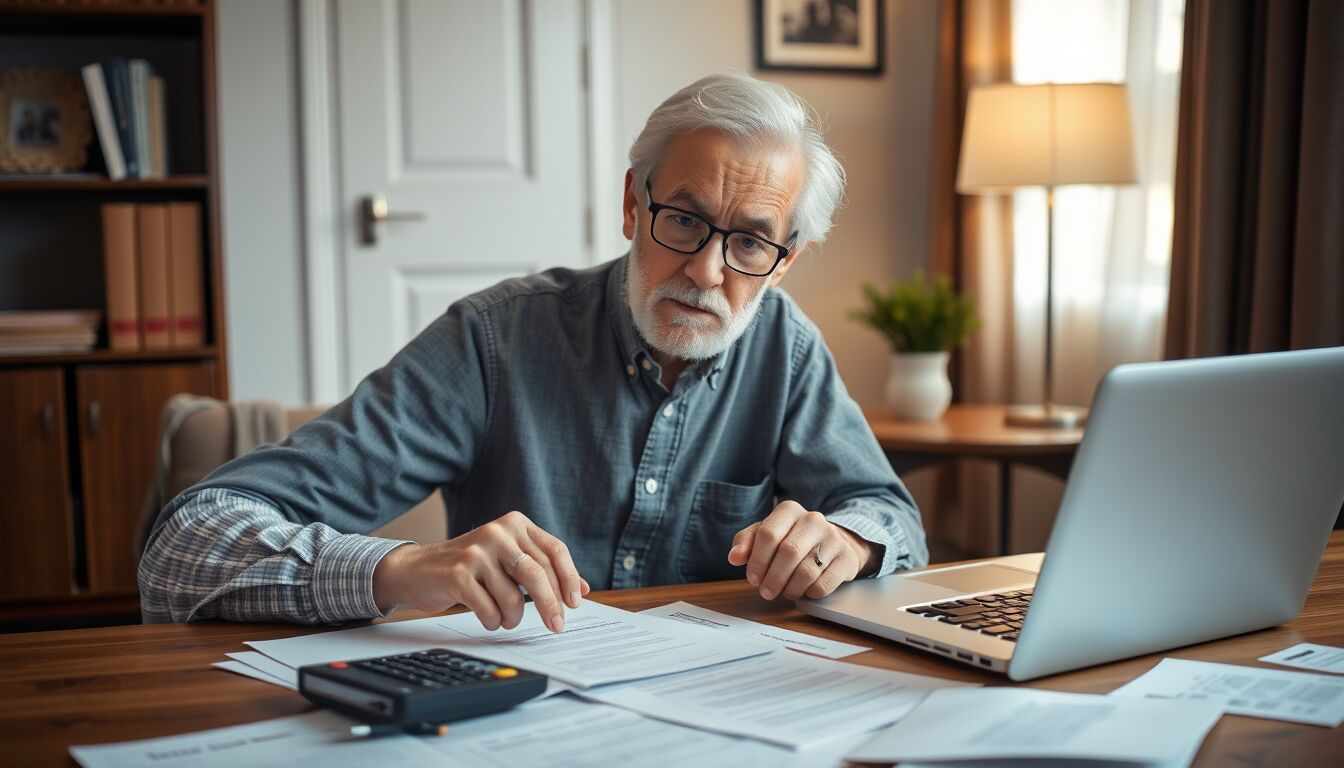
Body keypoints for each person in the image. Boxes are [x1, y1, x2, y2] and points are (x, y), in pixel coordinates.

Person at [139, 73, 927, 632]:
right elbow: (186, 543)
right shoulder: (495, 341)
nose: (707, 270)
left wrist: (851, 541)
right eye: (683, 221)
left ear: (783, 261)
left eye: (750, 241)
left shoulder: (785, 350)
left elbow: (895, 520)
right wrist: (399, 570)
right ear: (631, 203)